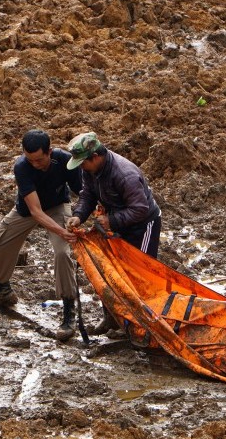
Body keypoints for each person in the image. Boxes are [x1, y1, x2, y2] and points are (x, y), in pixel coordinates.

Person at [0, 130, 82, 341]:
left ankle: (69, 311)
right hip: (28, 209)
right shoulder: (22, 167)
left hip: (57, 206)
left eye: (39, 159)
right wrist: (60, 230)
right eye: (30, 159)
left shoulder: (64, 160)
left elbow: (82, 191)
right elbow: (35, 211)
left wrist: (80, 218)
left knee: (62, 253)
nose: (35, 164)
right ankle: (3, 290)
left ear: (50, 152)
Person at [65, 132, 161, 334]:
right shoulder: (90, 170)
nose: (81, 168)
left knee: (137, 274)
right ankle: (112, 317)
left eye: (83, 163)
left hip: (142, 226)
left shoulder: (124, 174)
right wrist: (79, 215)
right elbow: (87, 195)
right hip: (116, 221)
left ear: (95, 157)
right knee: (108, 269)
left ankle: (139, 325)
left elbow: (140, 208)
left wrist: (112, 221)